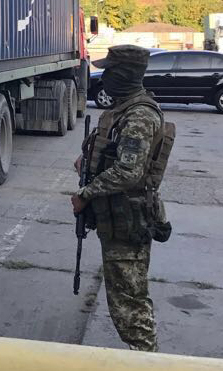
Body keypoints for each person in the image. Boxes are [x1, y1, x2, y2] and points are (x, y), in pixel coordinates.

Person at [72, 45, 169, 352]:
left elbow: (128, 172)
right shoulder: (123, 109)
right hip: (117, 217)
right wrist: (87, 160)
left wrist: (86, 194)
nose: (105, 78)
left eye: (110, 72)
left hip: (128, 220)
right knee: (125, 297)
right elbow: (113, 154)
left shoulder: (139, 115)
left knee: (129, 304)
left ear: (124, 74)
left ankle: (147, 360)